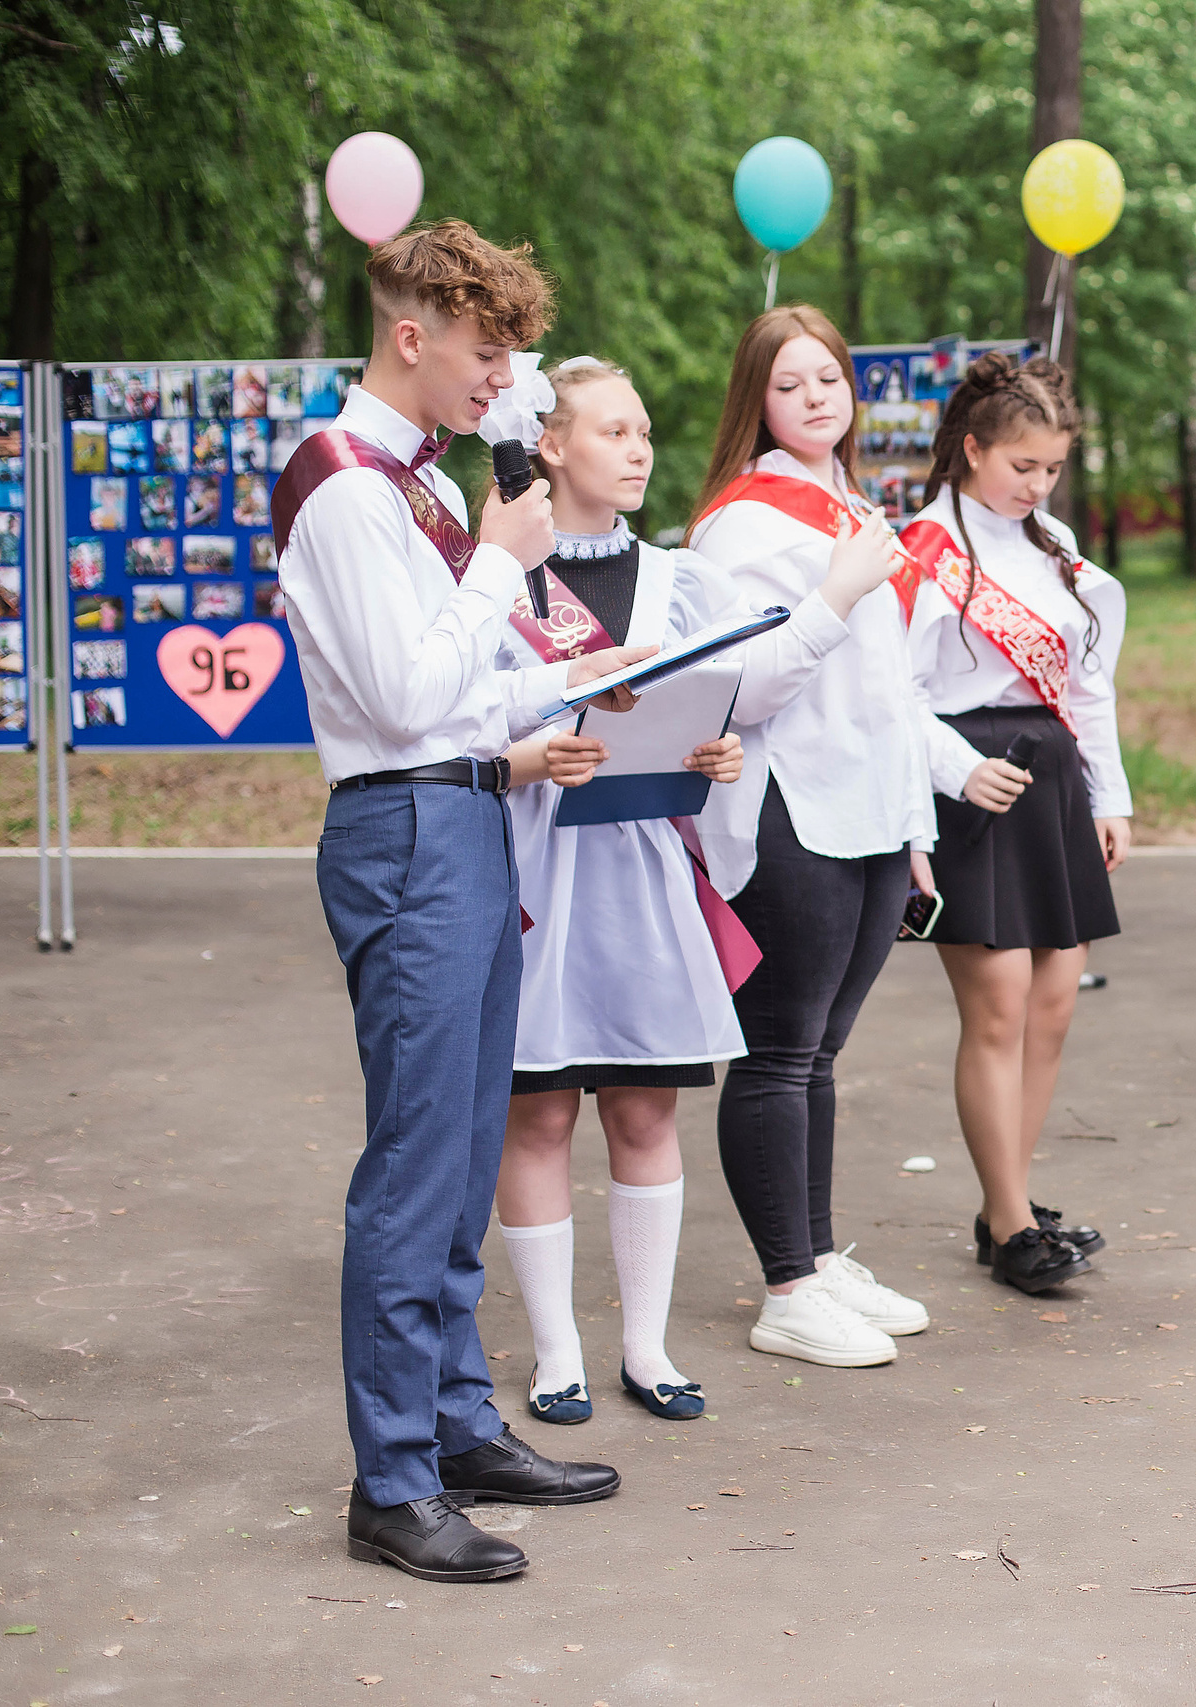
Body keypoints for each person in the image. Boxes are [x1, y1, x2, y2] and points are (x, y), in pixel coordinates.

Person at [275, 221, 649, 1583]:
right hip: (408, 821)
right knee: (418, 1160)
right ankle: (391, 1478)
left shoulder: (423, 488)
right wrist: (502, 560)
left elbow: (474, 687)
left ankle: (451, 1420)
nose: (505, 380)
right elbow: (403, 699)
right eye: (487, 352)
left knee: (467, 1142)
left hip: (468, 807)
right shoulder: (343, 483)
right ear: (412, 333)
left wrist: (590, 677)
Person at [481, 356, 755, 1428]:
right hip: (536, 868)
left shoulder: (684, 579)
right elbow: (460, 711)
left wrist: (718, 752)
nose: (639, 450)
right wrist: (534, 747)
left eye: (645, 431)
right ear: (550, 445)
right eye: (612, 431)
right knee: (538, 1112)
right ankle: (557, 1355)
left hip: (642, 869)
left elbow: (707, 704)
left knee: (646, 1107)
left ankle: (647, 1348)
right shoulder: (494, 577)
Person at [690, 305, 957, 1368]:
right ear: (755, 397)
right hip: (790, 806)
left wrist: (916, 825)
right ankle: (785, 1288)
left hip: (871, 812)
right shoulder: (739, 525)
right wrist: (838, 593)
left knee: (823, 1054)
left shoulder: (849, 500)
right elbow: (742, 689)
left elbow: (893, 692)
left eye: (829, 379)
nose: (814, 398)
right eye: (790, 382)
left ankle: (813, 1255)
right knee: (779, 1050)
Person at [898, 353, 1129, 1295]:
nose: (1037, 484)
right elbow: (893, 692)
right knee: (995, 1007)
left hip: (1053, 777)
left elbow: (1089, 684)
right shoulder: (920, 546)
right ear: (971, 447)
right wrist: (951, 774)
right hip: (972, 781)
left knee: (1055, 1005)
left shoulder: (1054, 545)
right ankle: (1011, 1220)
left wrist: (1109, 794)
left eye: (1051, 469)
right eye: (1021, 466)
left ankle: (1013, 1206)